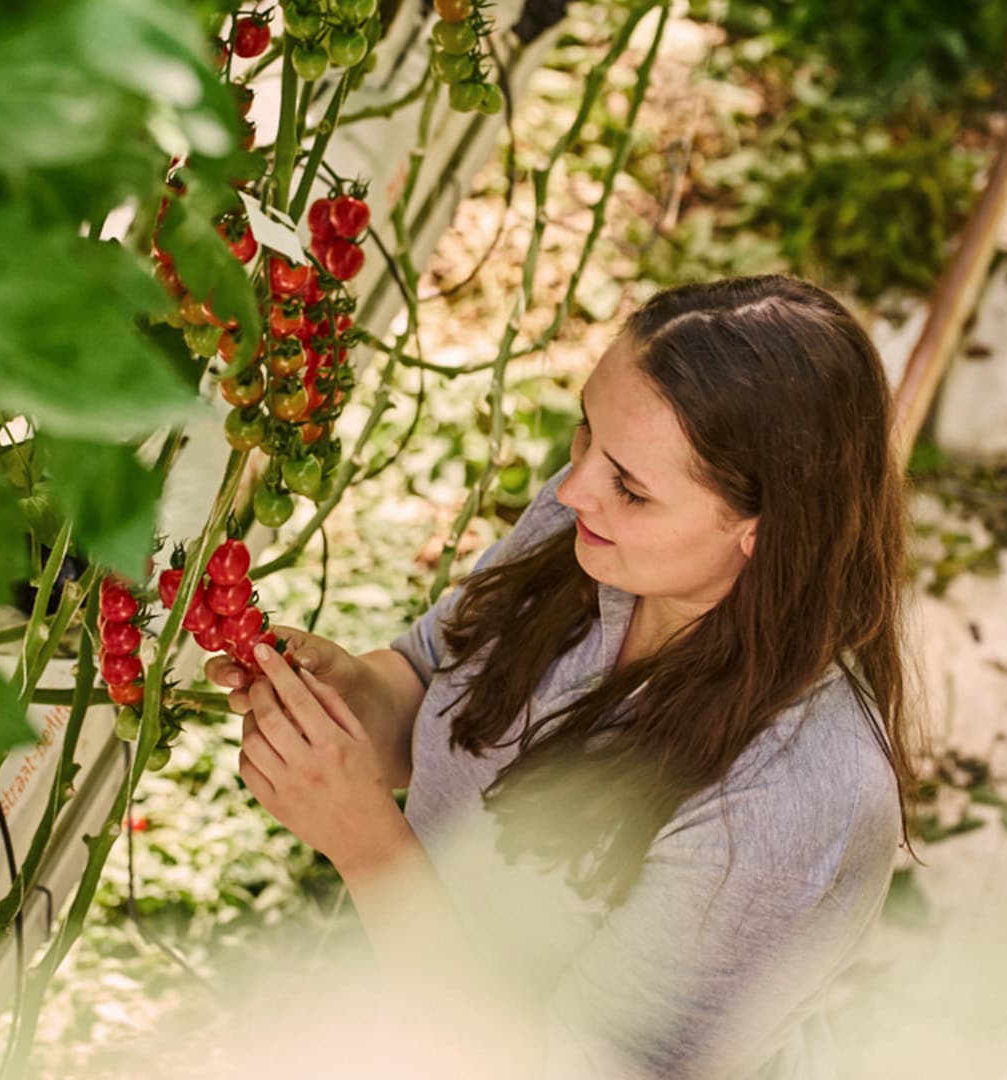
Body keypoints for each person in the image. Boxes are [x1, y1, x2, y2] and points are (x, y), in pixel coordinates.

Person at [207, 274, 919, 1077]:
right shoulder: (594, 526)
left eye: (632, 487)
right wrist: (351, 702)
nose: (573, 487)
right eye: (586, 433)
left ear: (762, 531)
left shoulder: (791, 796)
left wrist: (366, 844)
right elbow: (432, 683)